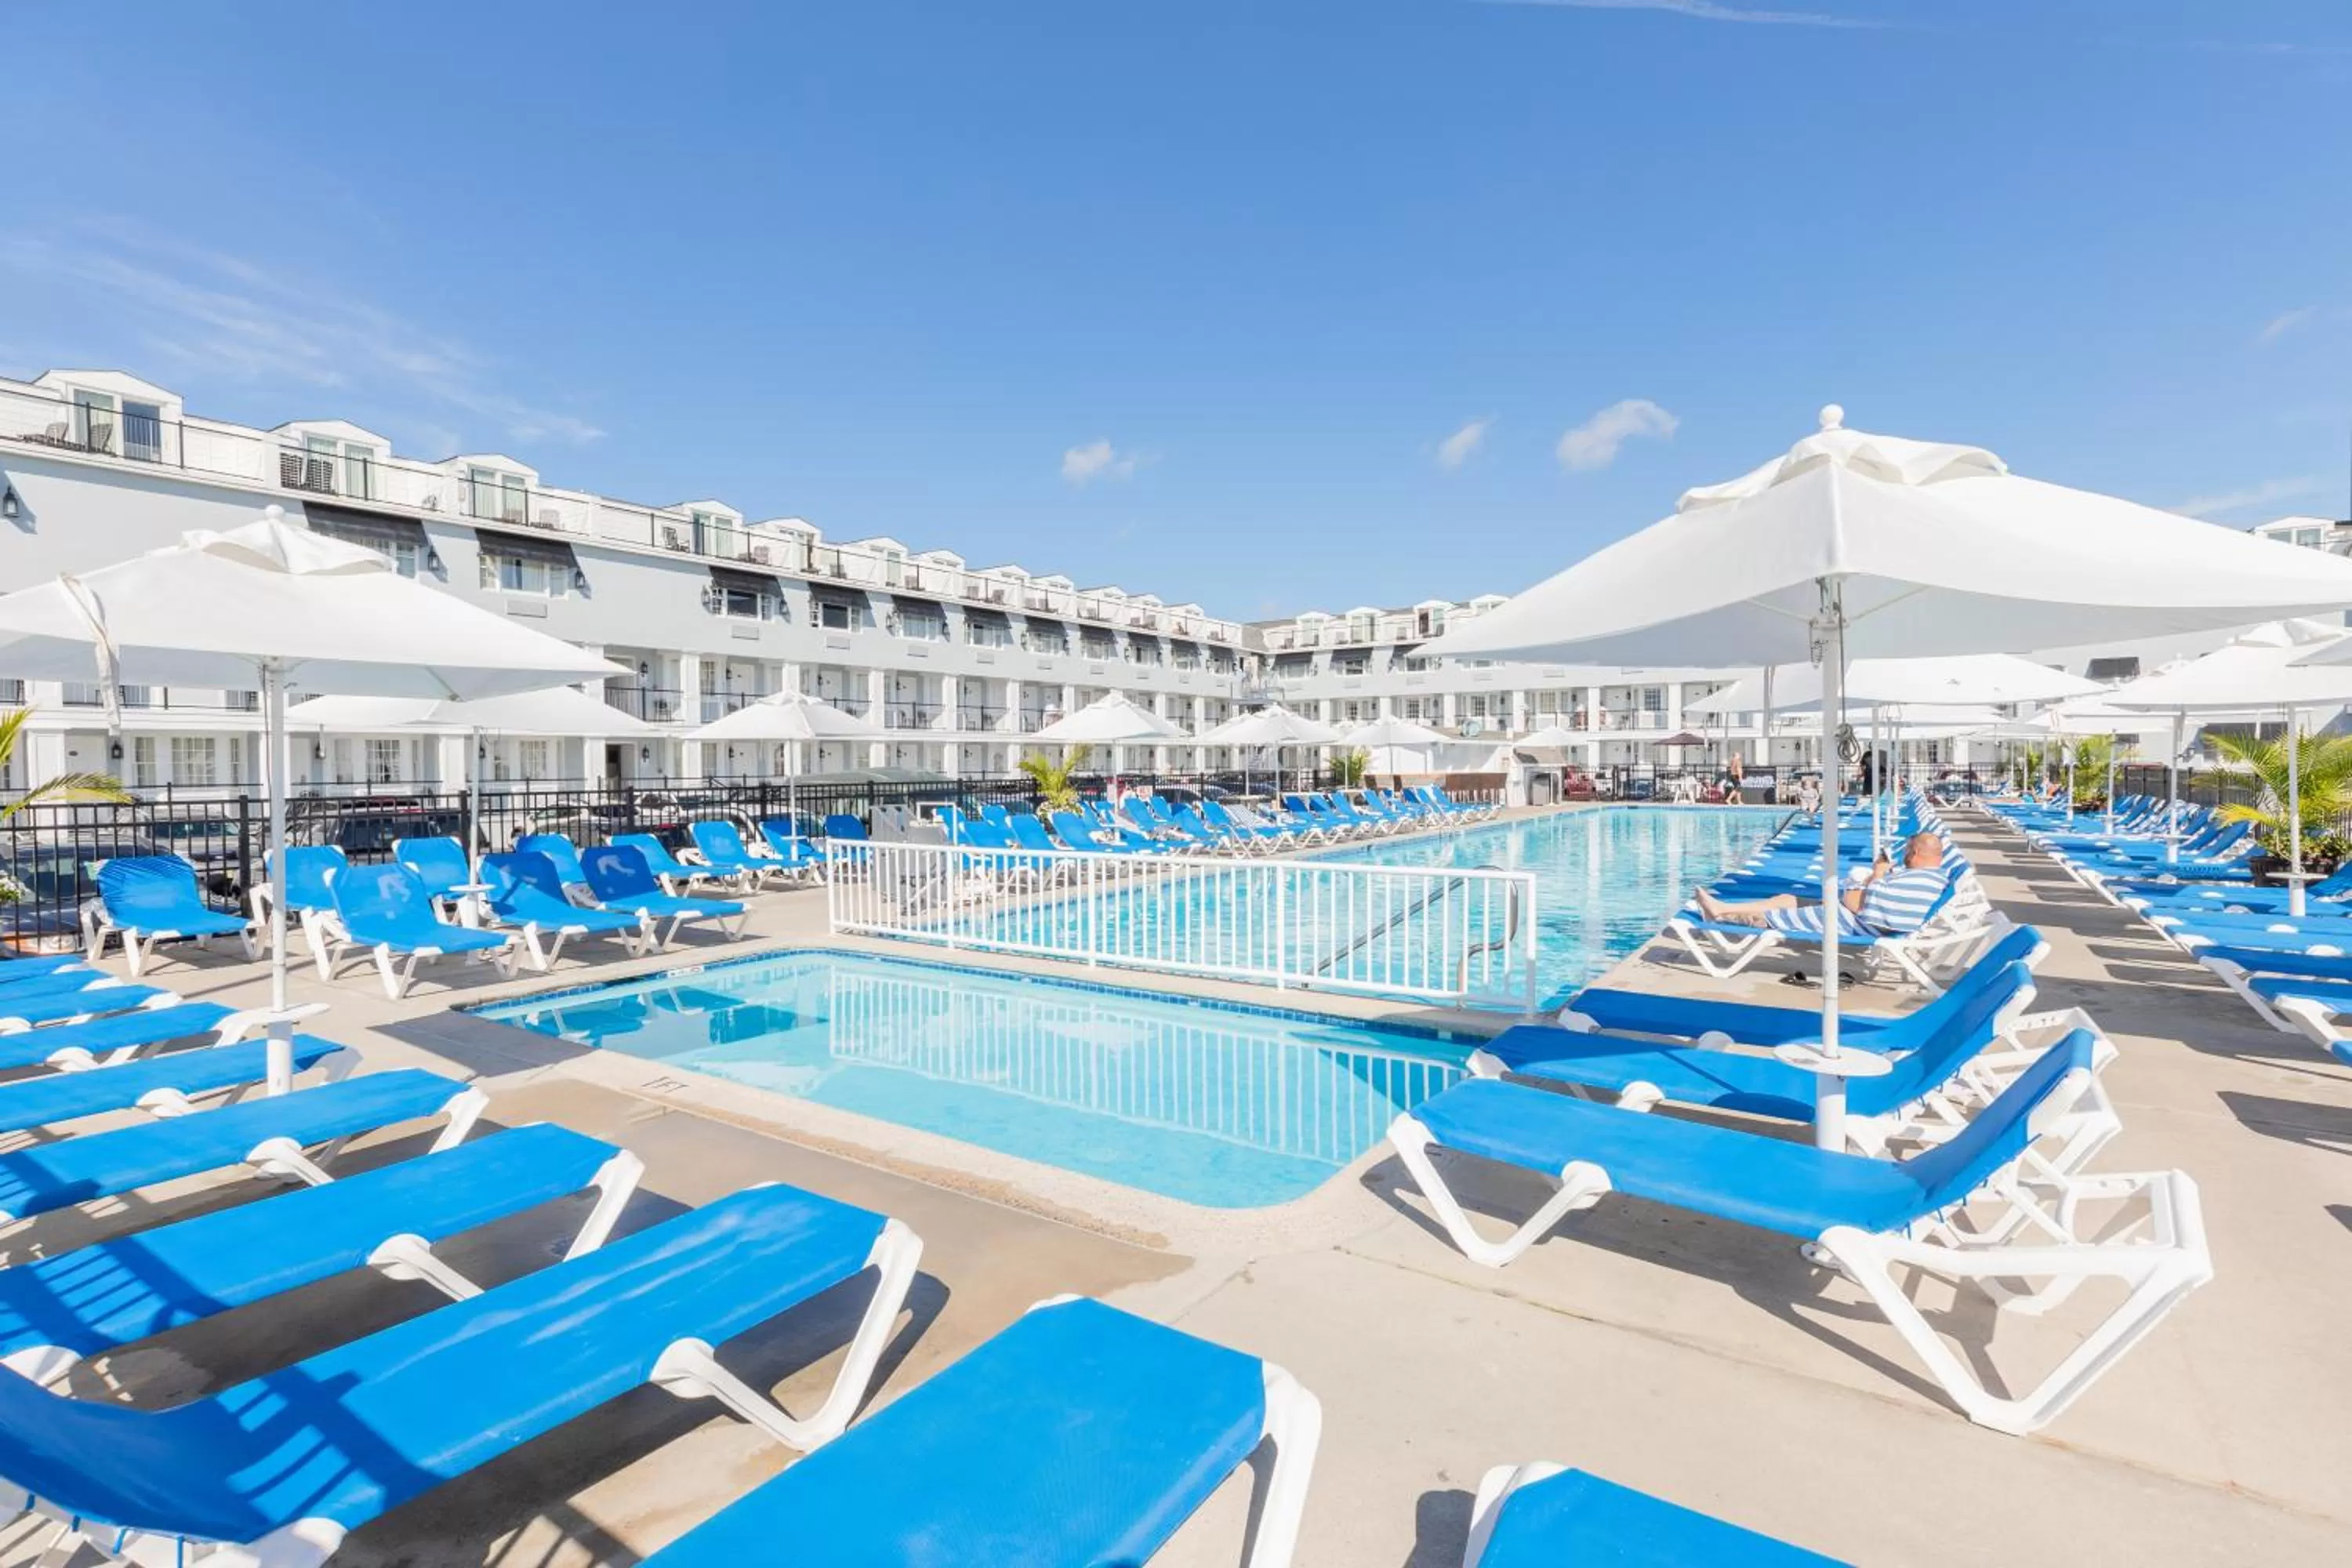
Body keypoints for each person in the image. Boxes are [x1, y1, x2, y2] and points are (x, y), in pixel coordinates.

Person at [1693, 831, 1948, 937]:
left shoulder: (1918, 882)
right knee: (1785, 899)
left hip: (1854, 923)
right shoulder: (1931, 877)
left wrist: (1874, 873)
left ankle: (1722, 914)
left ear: (1914, 854)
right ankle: (1721, 909)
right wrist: (1875, 877)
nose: (1903, 857)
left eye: (1906, 853)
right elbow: (1875, 900)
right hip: (1858, 916)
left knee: (1777, 915)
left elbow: (1855, 903)